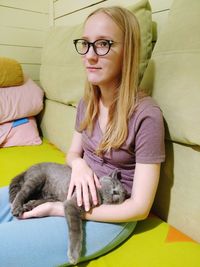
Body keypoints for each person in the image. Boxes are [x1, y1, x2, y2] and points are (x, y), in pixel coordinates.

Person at [0, 6, 165, 267]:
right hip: (68, 190)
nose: (89, 56)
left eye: (103, 45)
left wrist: (57, 209)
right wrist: (78, 166)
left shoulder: (146, 115)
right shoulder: (85, 104)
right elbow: (73, 154)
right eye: (85, 44)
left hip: (109, 214)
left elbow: (140, 207)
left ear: (128, 52)